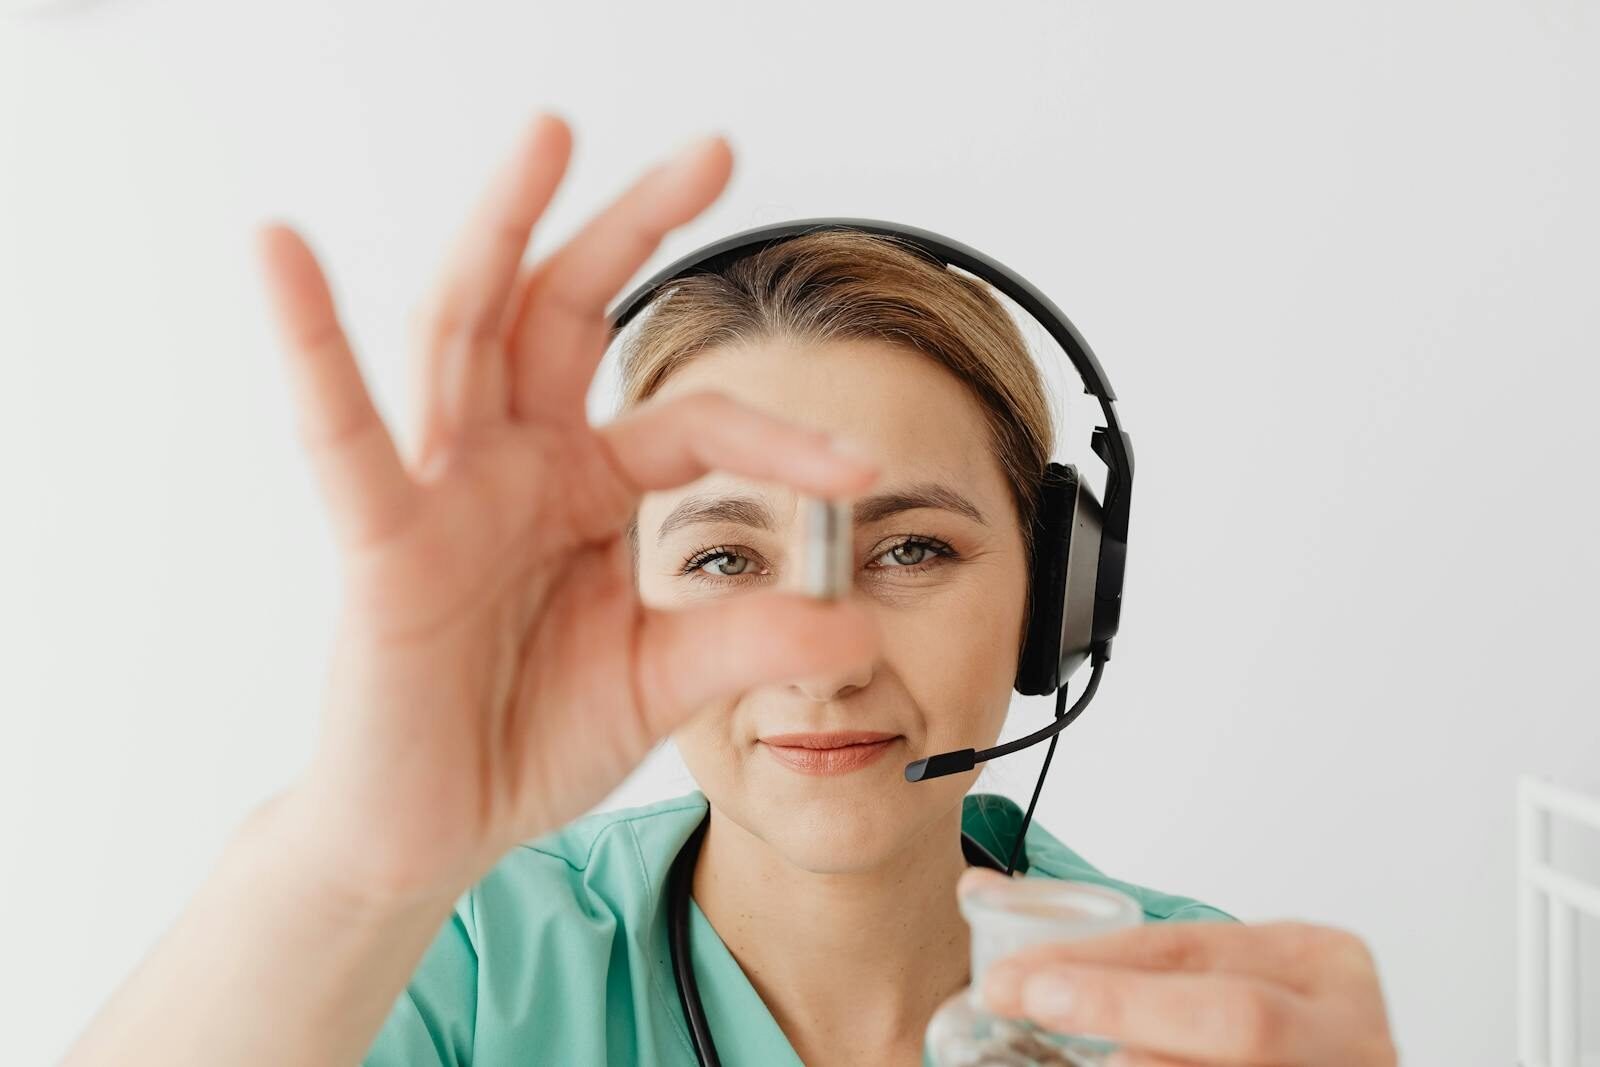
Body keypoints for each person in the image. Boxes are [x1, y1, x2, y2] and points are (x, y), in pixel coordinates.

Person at [61, 113, 1398, 1067]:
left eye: (913, 549)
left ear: (1060, 591)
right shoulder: (470, 960)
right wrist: (359, 855)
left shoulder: (1188, 1006)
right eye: (722, 559)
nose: (820, 662)